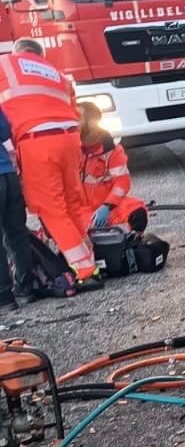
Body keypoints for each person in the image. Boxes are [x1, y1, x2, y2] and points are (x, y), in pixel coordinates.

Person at [0, 39, 101, 290]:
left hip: (38, 141)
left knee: (52, 209)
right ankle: (91, 262)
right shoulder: (56, 74)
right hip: (69, 138)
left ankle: (85, 271)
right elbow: (74, 109)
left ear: (18, 53)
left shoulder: (6, 63)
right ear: (39, 55)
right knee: (71, 204)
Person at [79, 103, 148, 232]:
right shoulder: (71, 150)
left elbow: (122, 182)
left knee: (138, 213)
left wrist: (107, 205)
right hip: (80, 210)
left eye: (77, 118)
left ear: (92, 123)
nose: (72, 122)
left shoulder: (113, 151)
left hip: (108, 205)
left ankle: (133, 247)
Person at [0, 108, 35, 310]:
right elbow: (5, 131)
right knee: (16, 234)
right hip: (8, 174)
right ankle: (26, 288)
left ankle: (4, 297)